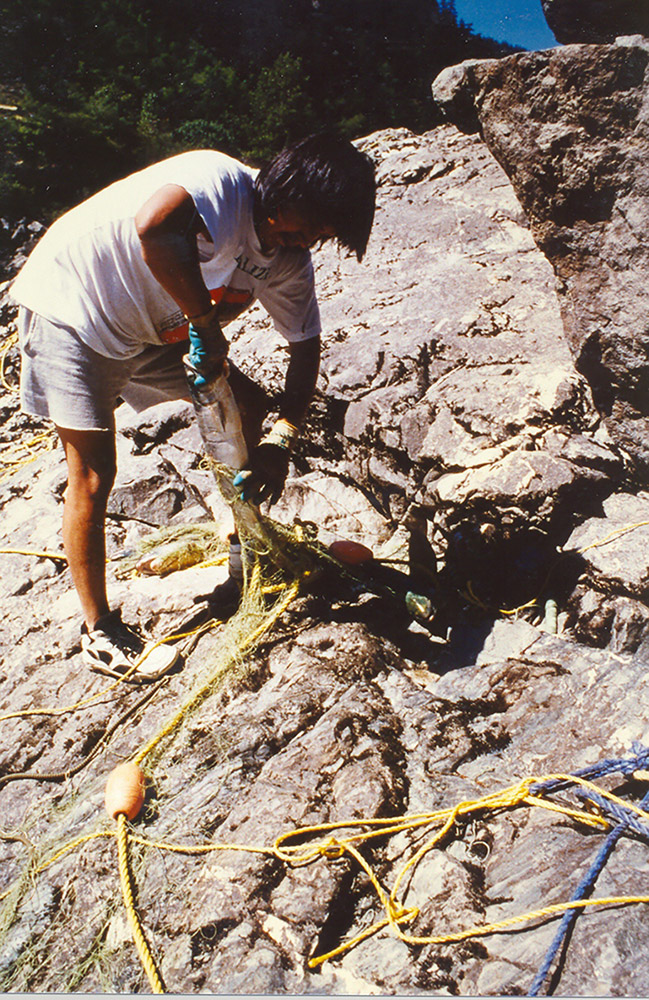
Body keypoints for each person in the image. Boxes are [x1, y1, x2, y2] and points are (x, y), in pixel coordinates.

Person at [11, 131, 376, 681]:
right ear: (289, 185)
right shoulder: (220, 183)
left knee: (248, 406)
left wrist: (281, 440)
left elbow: (304, 348)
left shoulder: (288, 258)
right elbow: (155, 226)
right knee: (92, 472)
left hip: (152, 333)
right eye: (316, 218)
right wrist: (205, 324)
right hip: (76, 309)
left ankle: (243, 551)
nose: (316, 236)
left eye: (326, 233)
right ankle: (99, 631)